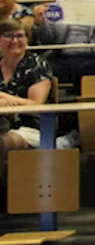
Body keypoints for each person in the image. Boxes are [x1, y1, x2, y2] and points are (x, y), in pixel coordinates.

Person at [0, 20, 52, 178]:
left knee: (1, 144)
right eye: (9, 36)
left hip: (30, 127)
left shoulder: (37, 65)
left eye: (20, 36)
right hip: (2, 124)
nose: (15, 41)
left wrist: (5, 97)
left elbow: (36, 105)